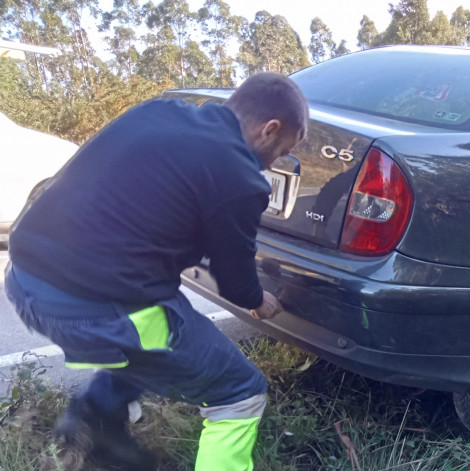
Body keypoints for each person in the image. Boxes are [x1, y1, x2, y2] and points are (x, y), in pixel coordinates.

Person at [3, 72, 308, 471]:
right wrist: (257, 300)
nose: (277, 160)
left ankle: (95, 420)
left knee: (156, 345)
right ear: (270, 129)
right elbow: (235, 281)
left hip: (25, 280)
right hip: (96, 310)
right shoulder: (241, 177)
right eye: (284, 149)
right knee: (241, 390)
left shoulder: (157, 111)